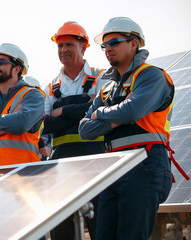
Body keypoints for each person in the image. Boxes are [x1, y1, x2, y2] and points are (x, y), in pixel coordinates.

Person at [79, 17, 180, 239]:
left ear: (133, 43)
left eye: (114, 42)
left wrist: (101, 113)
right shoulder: (107, 88)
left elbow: (133, 111)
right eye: (104, 45)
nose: (107, 49)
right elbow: (84, 129)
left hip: (144, 163)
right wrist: (119, 115)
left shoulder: (152, 75)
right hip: (111, 167)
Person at [42, 21, 110, 240]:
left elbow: (104, 111)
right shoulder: (50, 86)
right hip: (60, 167)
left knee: (102, 228)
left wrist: (60, 111)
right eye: (60, 46)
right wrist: (85, 109)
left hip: (97, 163)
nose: (63, 50)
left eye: (69, 44)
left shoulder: (102, 77)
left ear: (84, 47)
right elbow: (44, 125)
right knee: (62, 231)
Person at [24, 76, 51, 160]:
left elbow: (48, 137)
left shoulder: (42, 115)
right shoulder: (12, 112)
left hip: (35, 160)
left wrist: (48, 148)